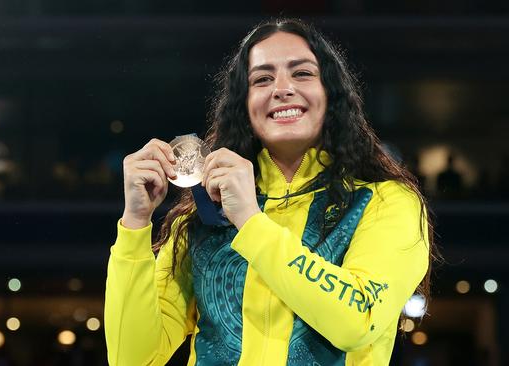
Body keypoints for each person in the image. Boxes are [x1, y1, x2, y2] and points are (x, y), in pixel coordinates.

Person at [105, 18, 436, 365]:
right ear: (244, 104)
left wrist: (250, 221)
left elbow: (357, 322)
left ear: (331, 93)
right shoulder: (200, 218)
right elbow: (132, 358)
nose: (282, 88)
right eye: (262, 79)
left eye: (302, 73)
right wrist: (135, 224)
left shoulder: (386, 203)